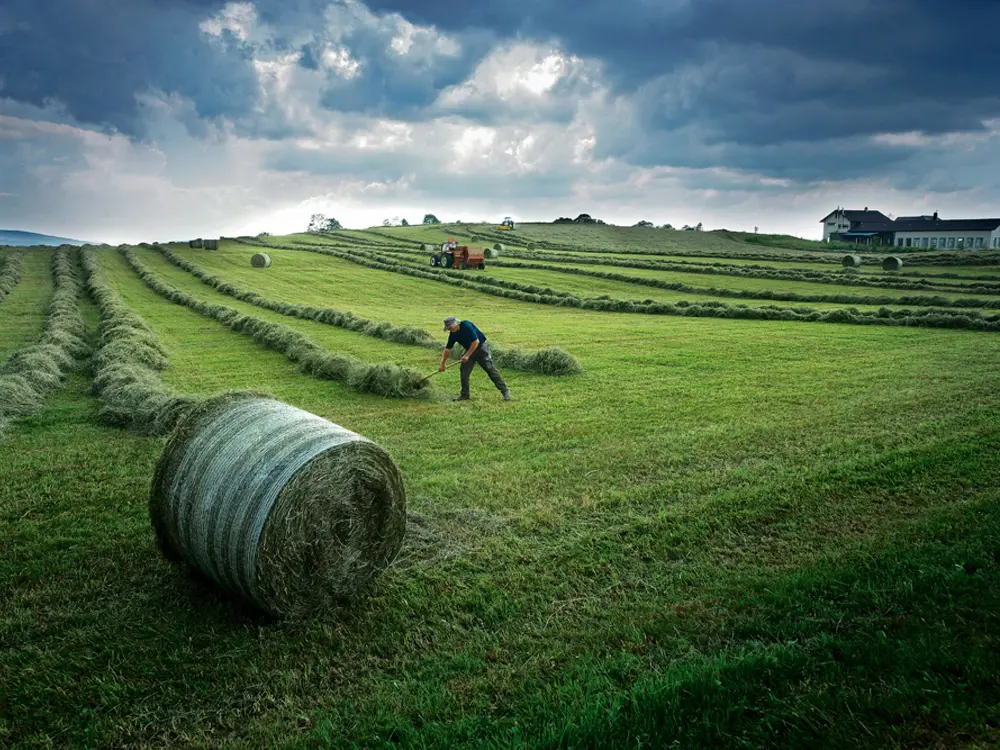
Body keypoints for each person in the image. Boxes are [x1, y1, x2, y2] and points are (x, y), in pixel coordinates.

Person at [439, 316, 511, 401]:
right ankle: (465, 395)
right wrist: (442, 364)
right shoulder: (453, 334)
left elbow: (476, 342)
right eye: (448, 329)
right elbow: (447, 349)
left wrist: (467, 355)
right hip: (470, 349)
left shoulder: (466, 325)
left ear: (455, 325)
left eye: (450, 328)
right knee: (464, 371)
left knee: (490, 369)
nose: (449, 330)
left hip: (481, 349)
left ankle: (505, 391)